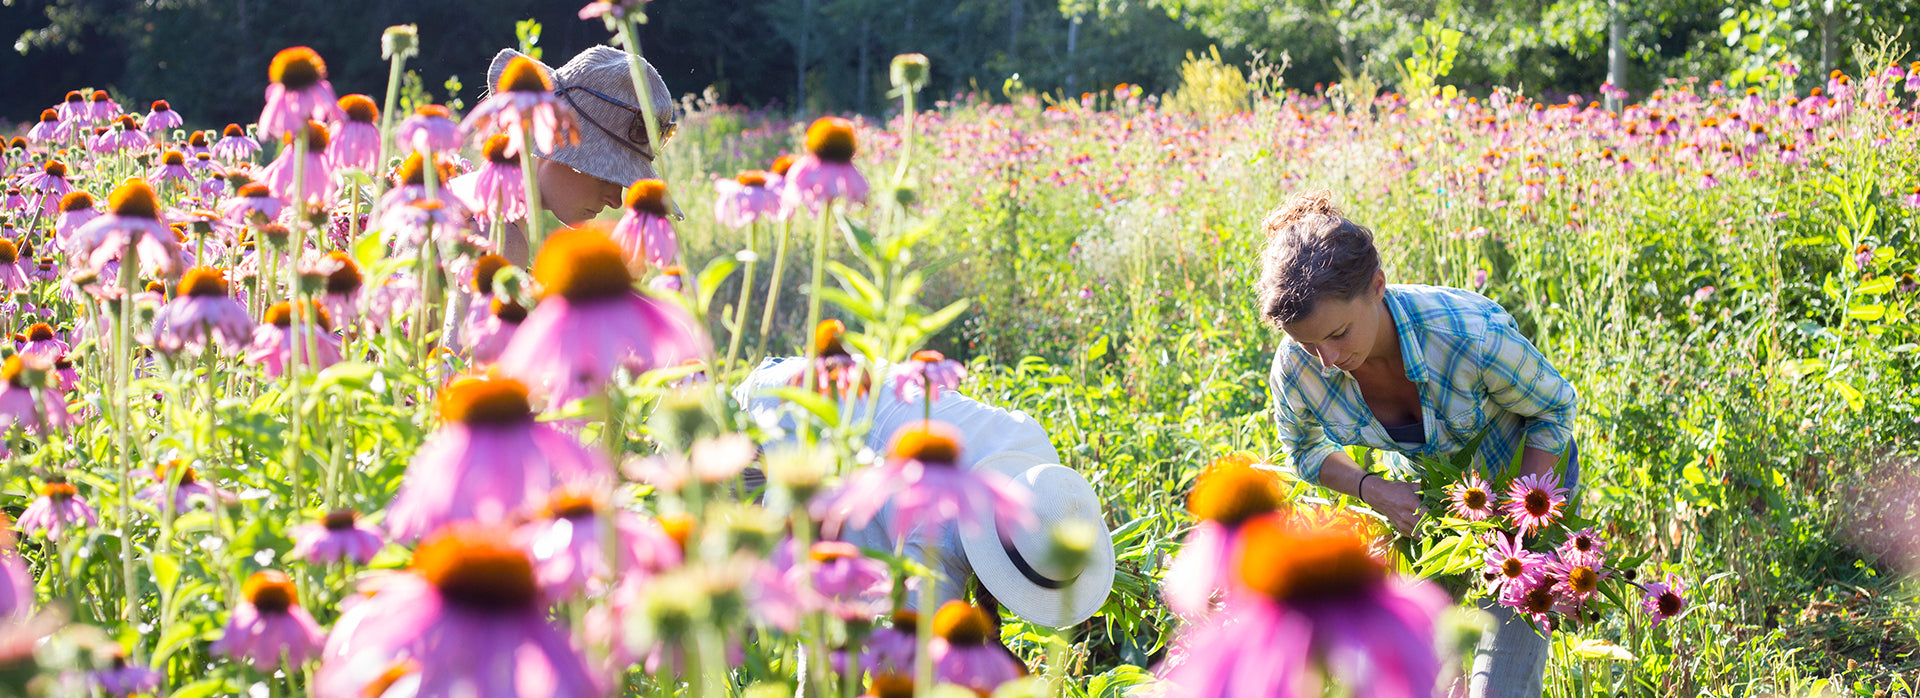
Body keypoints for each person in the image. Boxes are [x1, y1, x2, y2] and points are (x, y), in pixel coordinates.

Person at [1255, 190, 1578, 697]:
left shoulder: (1467, 334)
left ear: (1378, 287)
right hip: (1426, 499)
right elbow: (1304, 451)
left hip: (1526, 474)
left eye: (1338, 333)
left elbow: (1553, 409)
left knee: (1503, 684)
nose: (1326, 358)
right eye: (1307, 342)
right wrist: (1373, 489)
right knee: (1420, 674)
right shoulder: (1298, 369)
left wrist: (1521, 524)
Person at [732, 356, 1117, 630]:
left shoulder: (1033, 454)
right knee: (749, 610)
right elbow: (910, 664)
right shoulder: (938, 541)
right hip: (771, 422)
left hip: (830, 387)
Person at [454, 45, 676, 264]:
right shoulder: (498, 241)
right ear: (554, 140)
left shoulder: (471, 201)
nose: (616, 201)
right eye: (603, 175)